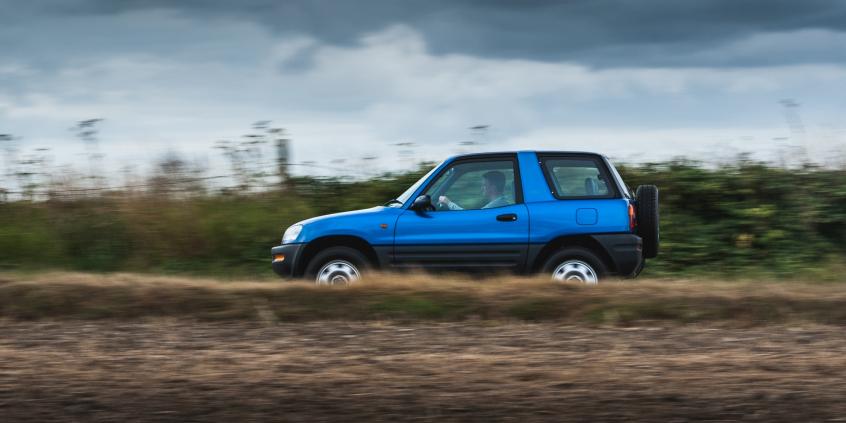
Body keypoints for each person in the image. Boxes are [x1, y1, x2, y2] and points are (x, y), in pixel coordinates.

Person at [438, 170, 510, 210]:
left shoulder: (493, 207)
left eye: (484, 185)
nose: (482, 188)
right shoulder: (502, 203)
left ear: (493, 188)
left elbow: (468, 218)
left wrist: (448, 203)